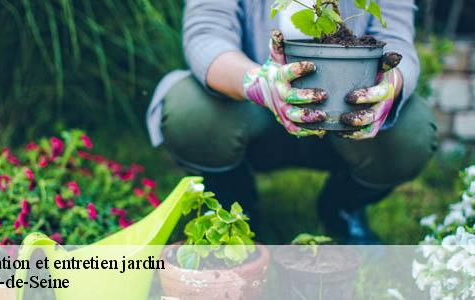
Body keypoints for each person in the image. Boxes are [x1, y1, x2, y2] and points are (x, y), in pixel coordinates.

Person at [146, 0, 438, 244]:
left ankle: (343, 206)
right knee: (190, 112)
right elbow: (206, 34)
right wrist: (258, 84)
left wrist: (390, 83)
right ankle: (233, 200)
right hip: (249, 107)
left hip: (345, 109)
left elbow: (397, 37)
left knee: (410, 133)